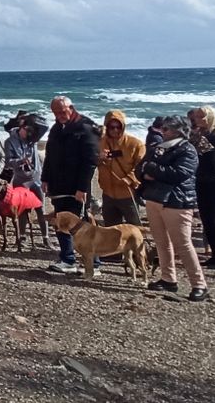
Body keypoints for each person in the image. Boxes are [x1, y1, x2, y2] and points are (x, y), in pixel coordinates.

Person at [138, 115, 206, 301]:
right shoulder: (158, 148)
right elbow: (140, 168)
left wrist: (152, 170)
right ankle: (168, 278)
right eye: (163, 128)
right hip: (154, 198)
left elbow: (178, 174)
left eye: (166, 129)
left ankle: (199, 284)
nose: (163, 132)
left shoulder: (187, 150)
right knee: (161, 241)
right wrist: (148, 172)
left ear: (178, 131)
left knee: (183, 244)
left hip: (177, 201)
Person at [43, 96, 100, 274]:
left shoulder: (85, 128)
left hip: (77, 187)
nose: (59, 115)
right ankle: (68, 259)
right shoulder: (56, 129)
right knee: (60, 221)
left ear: (71, 108)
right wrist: (45, 178)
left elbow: (90, 161)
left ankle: (93, 264)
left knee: (81, 224)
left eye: (62, 111)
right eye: (55, 112)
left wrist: (82, 188)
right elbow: (49, 155)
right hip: (58, 185)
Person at [188, 106, 215, 269]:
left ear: (210, 118)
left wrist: (200, 147)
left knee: (213, 221)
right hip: (202, 181)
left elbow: (214, 162)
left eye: (202, 116)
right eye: (197, 116)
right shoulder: (201, 135)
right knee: (206, 221)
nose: (198, 119)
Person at [97, 110, 145, 227]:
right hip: (108, 194)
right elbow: (89, 163)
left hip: (127, 194)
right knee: (111, 229)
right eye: (111, 127)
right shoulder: (99, 143)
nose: (115, 130)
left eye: (118, 127)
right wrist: (99, 158)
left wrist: (129, 179)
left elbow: (142, 166)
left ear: (123, 127)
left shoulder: (135, 144)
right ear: (106, 126)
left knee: (135, 229)